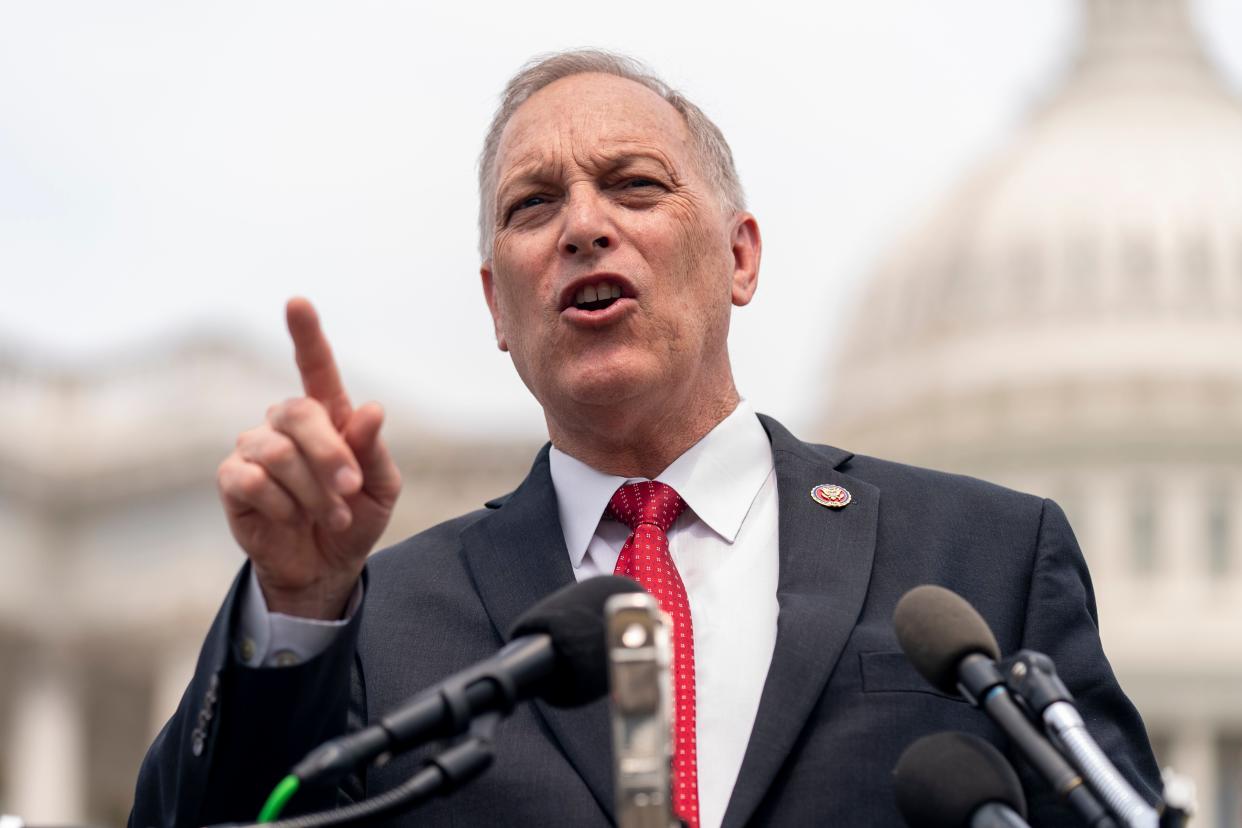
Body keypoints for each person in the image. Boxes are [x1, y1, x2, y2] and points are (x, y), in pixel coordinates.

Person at [131, 50, 1160, 827]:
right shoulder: (381, 624)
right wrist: (302, 609)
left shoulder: (982, 561)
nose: (583, 225)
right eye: (533, 205)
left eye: (634, 185)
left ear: (740, 257)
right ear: (497, 305)